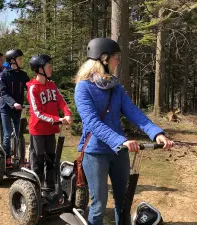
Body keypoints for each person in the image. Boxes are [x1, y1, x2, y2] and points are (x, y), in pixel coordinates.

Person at [74, 38, 174, 225]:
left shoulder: (115, 87)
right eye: (115, 57)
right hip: (95, 153)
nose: (118, 61)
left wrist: (157, 133)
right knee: (99, 204)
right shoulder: (83, 88)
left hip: (119, 152)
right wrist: (120, 140)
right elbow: (92, 122)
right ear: (103, 58)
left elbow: (134, 112)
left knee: (124, 202)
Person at [27, 54, 72, 189]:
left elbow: (61, 101)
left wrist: (67, 114)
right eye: (48, 67)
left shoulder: (51, 85)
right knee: (38, 160)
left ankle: (51, 187)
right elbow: (37, 113)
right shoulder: (33, 88)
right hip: (38, 130)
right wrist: (58, 119)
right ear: (40, 69)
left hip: (51, 130)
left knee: (52, 159)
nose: (51, 69)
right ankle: (36, 188)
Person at [0, 49, 30, 166]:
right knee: (8, 134)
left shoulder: (23, 75)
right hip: (6, 108)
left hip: (18, 109)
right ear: (12, 61)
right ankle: (6, 157)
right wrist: (13, 103)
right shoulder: (4, 75)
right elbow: (4, 93)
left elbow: (30, 88)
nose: (22, 61)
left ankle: (20, 157)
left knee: (18, 134)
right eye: (20, 59)